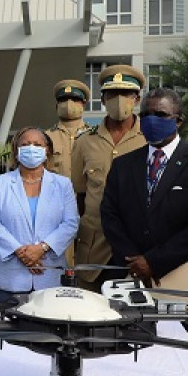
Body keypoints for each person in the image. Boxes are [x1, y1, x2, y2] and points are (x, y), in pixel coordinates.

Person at [100, 88, 188, 289]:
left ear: (178, 120)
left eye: (160, 115)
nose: (151, 120)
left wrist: (154, 261)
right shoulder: (123, 165)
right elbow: (110, 215)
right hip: (130, 272)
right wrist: (134, 262)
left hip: (183, 273)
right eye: (145, 115)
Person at [70, 64, 146, 290]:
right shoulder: (85, 142)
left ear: (137, 99)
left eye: (126, 94)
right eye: (112, 94)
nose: (119, 100)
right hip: (95, 247)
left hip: (137, 245)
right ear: (102, 100)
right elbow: (80, 194)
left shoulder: (148, 139)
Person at [0, 127, 78, 297]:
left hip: (50, 276)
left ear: (47, 150)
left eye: (37, 144)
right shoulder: (0, 183)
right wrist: (21, 252)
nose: (31, 148)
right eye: (25, 144)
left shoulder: (63, 185)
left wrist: (41, 248)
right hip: (10, 279)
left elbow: (70, 223)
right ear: (17, 150)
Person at [45, 79, 92, 178]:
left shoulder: (94, 135)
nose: (68, 104)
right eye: (63, 100)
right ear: (56, 106)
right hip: (56, 192)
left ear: (83, 105)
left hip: (85, 193)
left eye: (74, 100)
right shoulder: (46, 137)